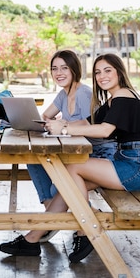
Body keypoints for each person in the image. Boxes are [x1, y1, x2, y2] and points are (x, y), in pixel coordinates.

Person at [0, 53, 140, 263]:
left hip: (139, 167)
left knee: (73, 168)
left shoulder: (123, 95)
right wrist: (58, 125)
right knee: (67, 189)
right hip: (127, 162)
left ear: (120, 72)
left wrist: (64, 129)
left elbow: (104, 131)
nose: (102, 76)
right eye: (98, 72)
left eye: (107, 70)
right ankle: (31, 240)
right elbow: (85, 123)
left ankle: (85, 232)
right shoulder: (113, 99)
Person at [27, 49, 117, 243]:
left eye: (64, 68)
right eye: (54, 69)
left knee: (56, 189)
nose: (58, 73)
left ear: (74, 69)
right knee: (33, 161)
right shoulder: (62, 94)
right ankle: (54, 212)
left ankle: (56, 218)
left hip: (97, 153)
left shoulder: (84, 93)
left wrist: (63, 125)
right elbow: (45, 117)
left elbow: (87, 124)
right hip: (74, 153)